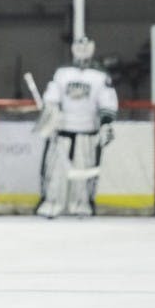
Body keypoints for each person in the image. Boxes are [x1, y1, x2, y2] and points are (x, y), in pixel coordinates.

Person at [35, 36, 119, 218]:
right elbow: (52, 96)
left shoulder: (100, 75)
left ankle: (81, 205)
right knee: (55, 171)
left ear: (92, 48)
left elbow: (107, 101)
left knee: (85, 171)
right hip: (62, 130)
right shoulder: (62, 72)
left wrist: (106, 124)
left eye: (86, 45)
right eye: (79, 45)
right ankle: (52, 202)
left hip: (88, 131)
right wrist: (51, 113)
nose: (82, 49)